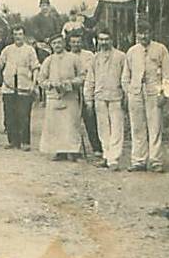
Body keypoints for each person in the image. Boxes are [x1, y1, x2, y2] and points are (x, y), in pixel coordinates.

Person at [122, 20, 169, 173]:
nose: (144, 36)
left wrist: (164, 93)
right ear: (136, 35)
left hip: (154, 92)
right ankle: (139, 160)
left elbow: (167, 74)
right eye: (140, 33)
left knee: (155, 126)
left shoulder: (160, 49)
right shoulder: (132, 52)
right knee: (137, 127)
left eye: (146, 32)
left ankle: (156, 161)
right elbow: (125, 76)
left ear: (151, 33)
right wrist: (129, 92)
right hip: (136, 93)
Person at [38, 33, 85, 161]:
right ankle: (59, 151)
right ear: (51, 46)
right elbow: (41, 79)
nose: (57, 45)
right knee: (56, 125)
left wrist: (71, 82)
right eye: (54, 44)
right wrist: (50, 84)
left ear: (64, 43)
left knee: (70, 124)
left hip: (70, 96)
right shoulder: (48, 60)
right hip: (54, 97)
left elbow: (82, 76)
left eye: (59, 42)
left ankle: (73, 151)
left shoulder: (73, 58)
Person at [84, 29, 126, 170]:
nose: (103, 42)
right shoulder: (95, 58)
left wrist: (126, 95)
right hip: (100, 97)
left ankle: (114, 158)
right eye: (101, 39)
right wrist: (88, 98)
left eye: (106, 39)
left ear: (111, 40)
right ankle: (106, 156)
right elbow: (90, 79)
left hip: (116, 96)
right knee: (103, 129)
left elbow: (125, 78)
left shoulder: (121, 57)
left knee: (116, 128)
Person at [0, 24, 39, 151]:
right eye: (15, 34)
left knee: (23, 115)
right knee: (9, 115)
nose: (17, 37)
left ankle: (25, 142)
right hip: (8, 87)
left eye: (20, 34)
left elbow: (35, 67)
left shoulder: (30, 50)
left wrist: (33, 84)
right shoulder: (7, 50)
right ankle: (13, 141)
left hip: (24, 87)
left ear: (23, 35)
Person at [68, 30, 102, 158]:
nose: (76, 44)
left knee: (90, 119)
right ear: (69, 43)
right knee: (72, 121)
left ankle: (97, 147)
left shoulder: (89, 55)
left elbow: (94, 71)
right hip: (72, 92)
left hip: (87, 89)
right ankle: (73, 149)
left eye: (78, 42)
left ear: (82, 42)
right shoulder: (67, 56)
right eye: (73, 42)